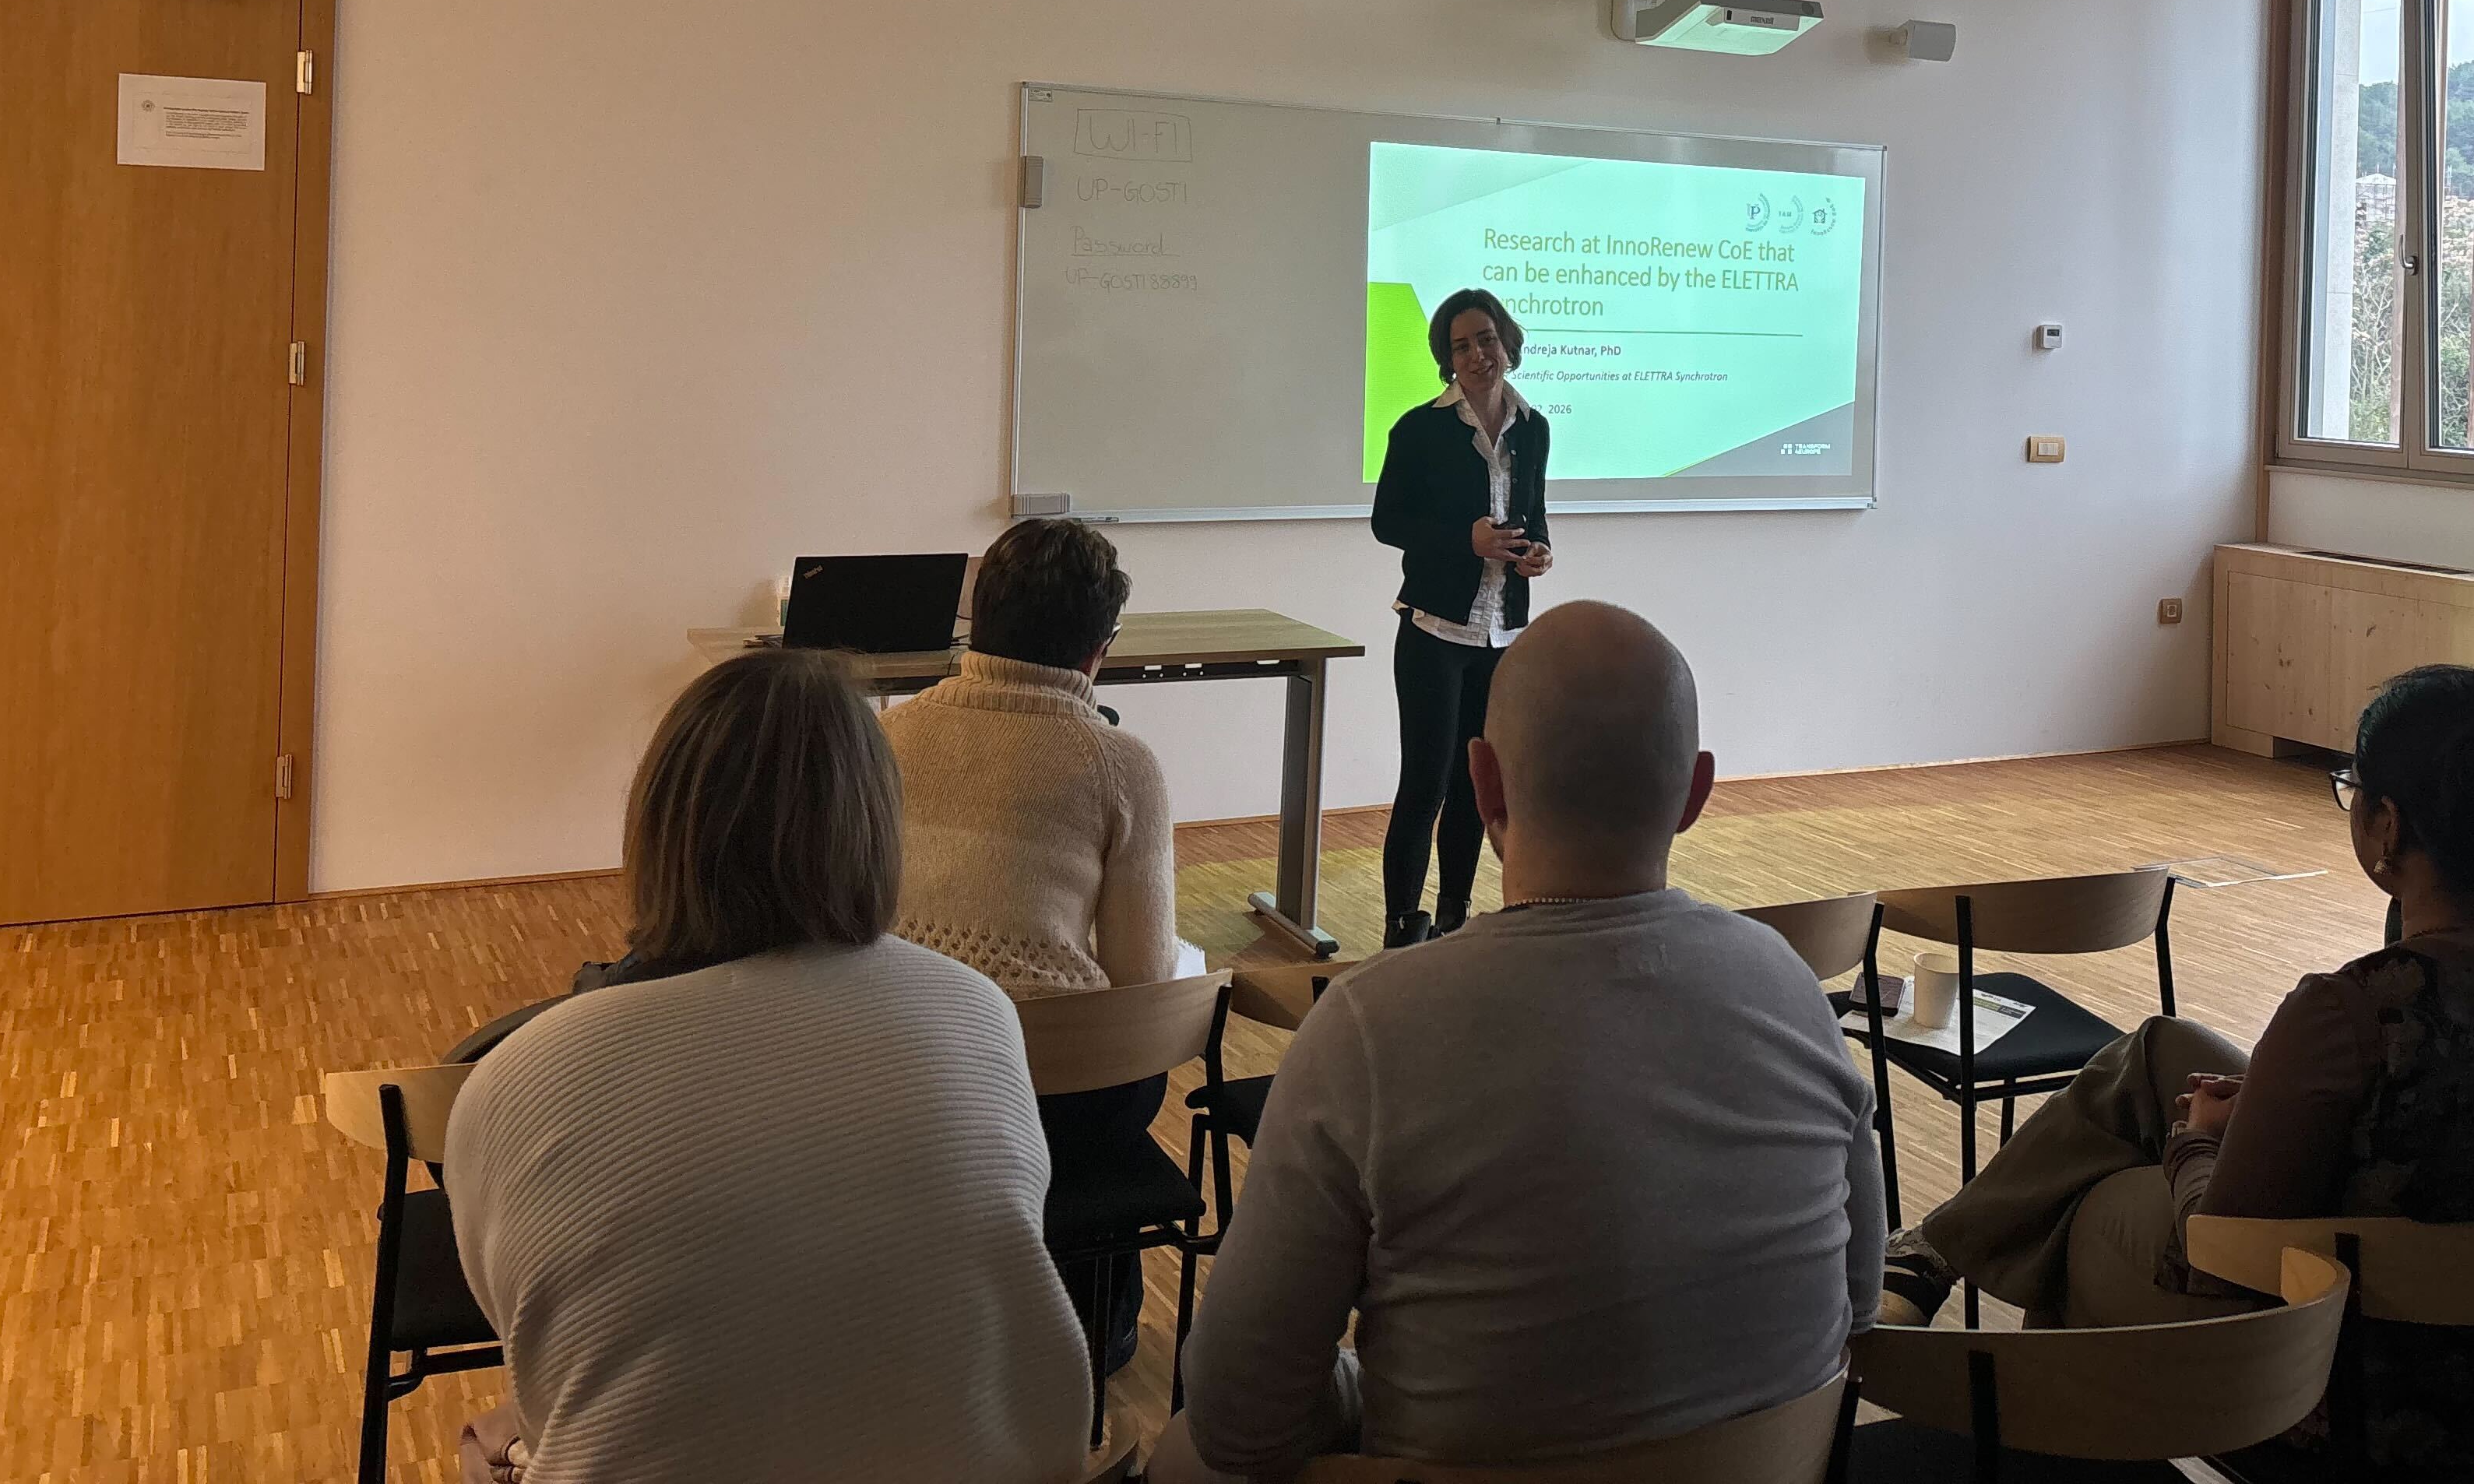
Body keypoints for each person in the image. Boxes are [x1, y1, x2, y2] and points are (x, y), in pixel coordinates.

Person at [1156, 601, 1879, 1482]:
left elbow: (1238, 1415)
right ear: (1696, 793)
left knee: (1185, 1454)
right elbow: (1858, 1305)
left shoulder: (1371, 1023)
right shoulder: (1792, 989)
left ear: (1484, 783)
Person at [1881, 668, 2474, 1479]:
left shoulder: (2348, 1013)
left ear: (2387, 825)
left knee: (2092, 1205)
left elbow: (2218, 1251)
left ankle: (2040, 1413)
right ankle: (1937, 1256)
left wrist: (2195, 1141)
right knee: (2162, 1045)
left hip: (2329, 1394)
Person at [445, 649, 1093, 1484]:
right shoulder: (979, 1013)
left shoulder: (518, 1078)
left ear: (660, 827)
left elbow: (529, 1343)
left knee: (490, 1439)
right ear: (878, 824)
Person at [882, 513, 1178, 1374]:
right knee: (1134, 1059)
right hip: (1052, 1086)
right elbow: (1142, 976)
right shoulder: (1121, 763)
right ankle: (1097, 1325)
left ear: (976, 621)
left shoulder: (887, 734)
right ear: (1099, 650)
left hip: (906, 1060)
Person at [1367, 287, 1551, 950]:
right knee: (1425, 783)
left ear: (1507, 342)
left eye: (1487, 339)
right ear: (1447, 358)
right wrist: (1463, 540)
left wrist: (1538, 552)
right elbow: (1388, 522)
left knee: (1475, 783)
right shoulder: (1419, 429)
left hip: (1501, 633)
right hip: (1435, 632)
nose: (1477, 355)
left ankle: (1453, 920)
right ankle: (1400, 928)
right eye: (1462, 345)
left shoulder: (1533, 427)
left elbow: (1534, 512)